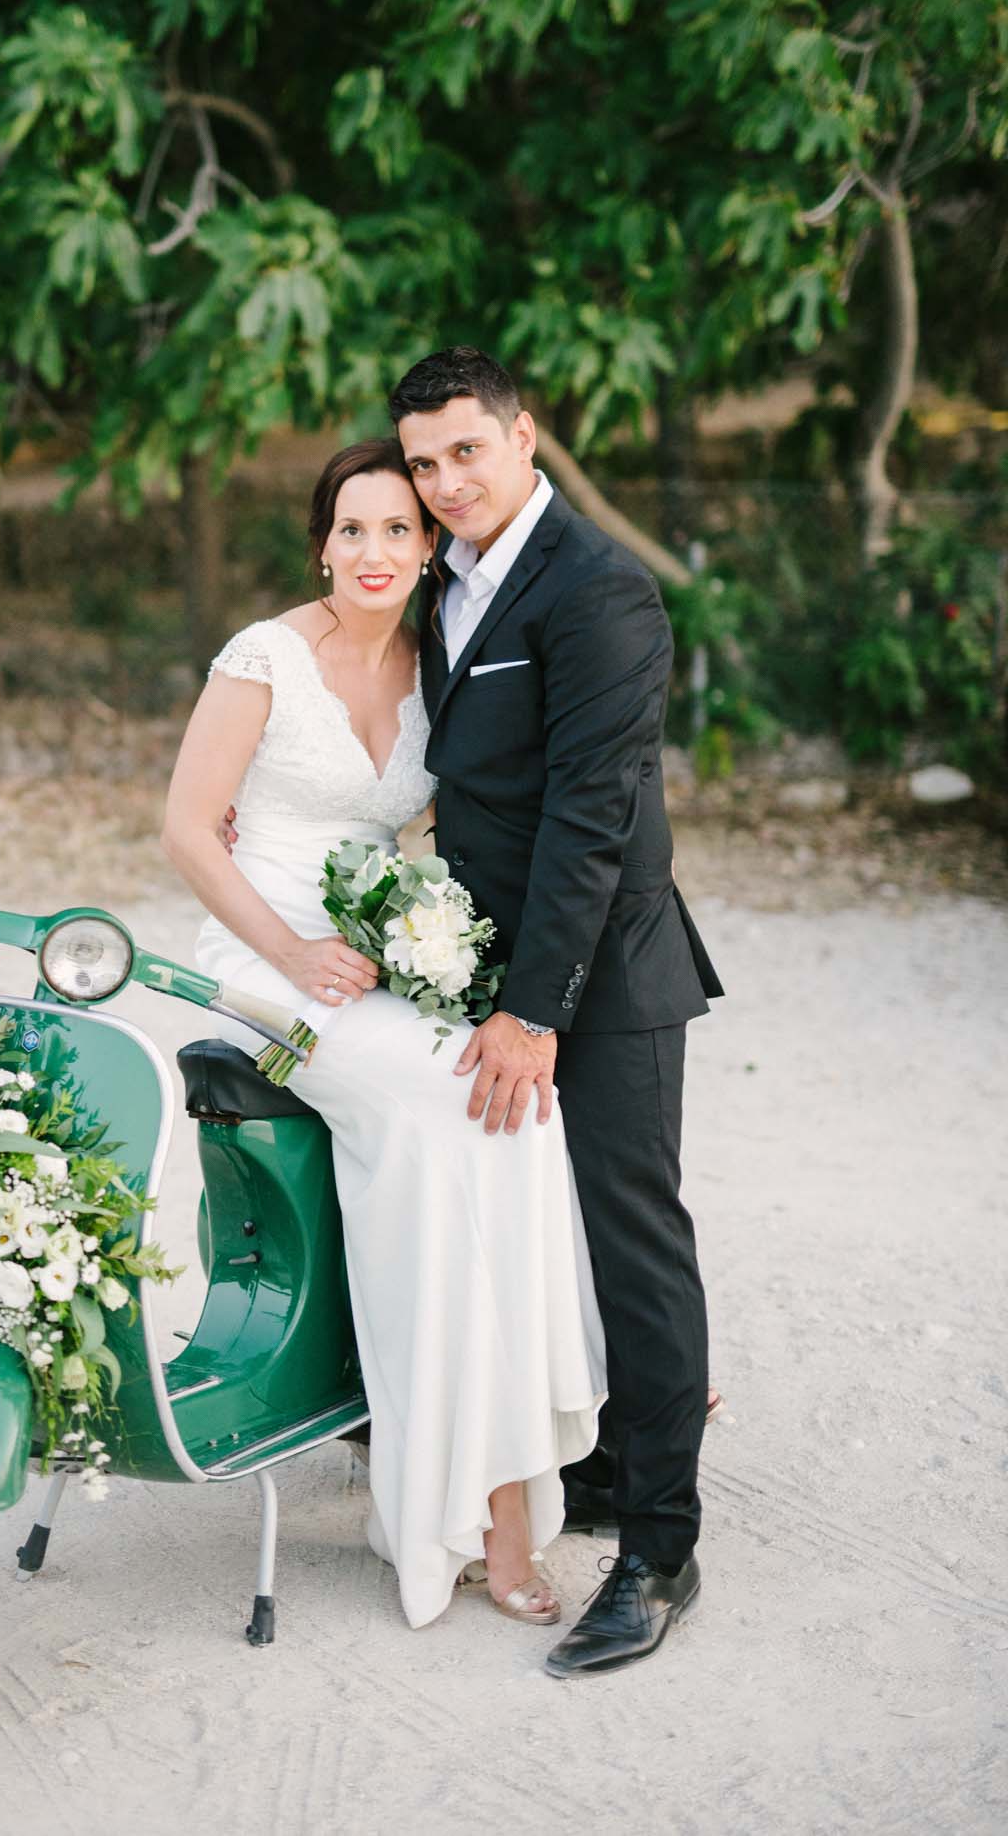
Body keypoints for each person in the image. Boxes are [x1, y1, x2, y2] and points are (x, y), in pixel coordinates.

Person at [162, 439, 607, 1632]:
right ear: (322, 546)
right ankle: (460, 1510)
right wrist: (291, 952)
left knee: (518, 1112)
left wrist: (433, 947)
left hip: (371, 961)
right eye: (352, 529)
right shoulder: (263, 656)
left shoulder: (437, 663)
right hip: (260, 964)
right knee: (451, 1107)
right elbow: (189, 831)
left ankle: (501, 1495)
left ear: (431, 549)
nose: (375, 551)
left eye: (400, 530)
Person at [390, 345, 722, 1677]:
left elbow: (594, 812)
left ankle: (661, 1545)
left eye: (466, 450)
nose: (445, 481)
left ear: (525, 437)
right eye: (424, 461)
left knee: (631, 1235)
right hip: (489, 961)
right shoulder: (444, 579)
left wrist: (536, 1013)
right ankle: (598, 1460)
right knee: (534, 1226)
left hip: (607, 970)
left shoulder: (601, 589)